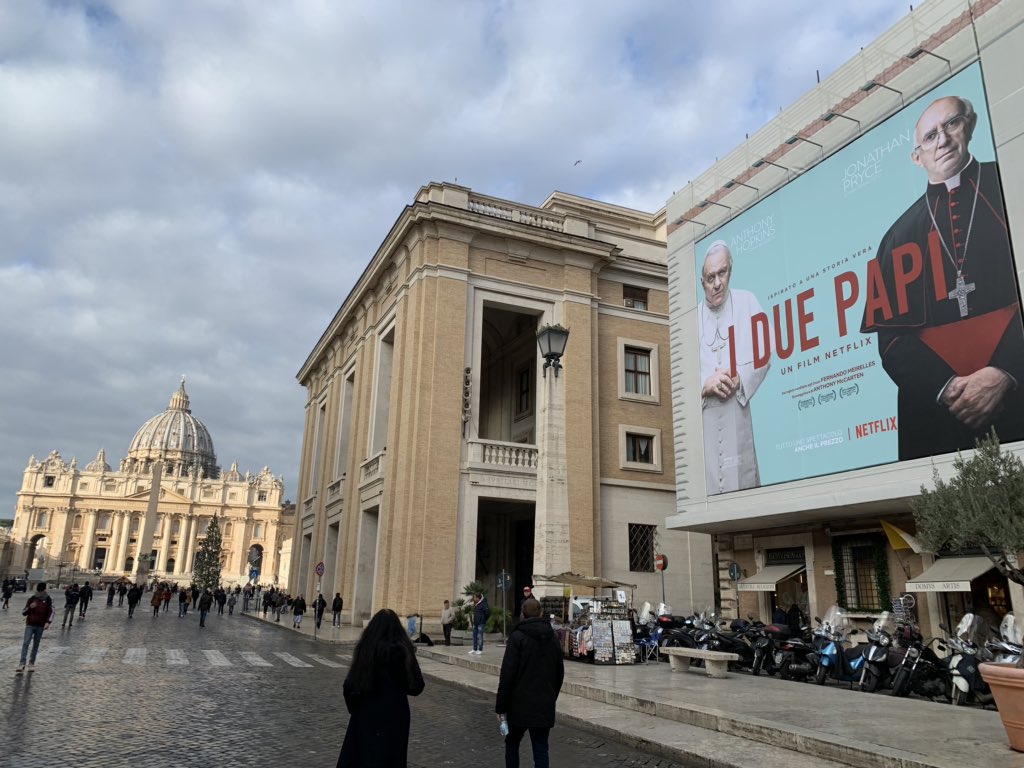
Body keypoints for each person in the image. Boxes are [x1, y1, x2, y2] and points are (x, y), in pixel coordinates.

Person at [860, 95, 1024, 460]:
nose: (943, 140)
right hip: (941, 419)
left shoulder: (1012, 184)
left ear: (971, 124)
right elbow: (890, 342)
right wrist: (948, 387)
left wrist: (1006, 371)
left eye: (951, 124)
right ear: (917, 157)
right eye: (930, 136)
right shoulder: (898, 236)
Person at [698, 240, 770, 493]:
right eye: (710, 277)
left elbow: (764, 353)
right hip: (706, 417)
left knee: (743, 484)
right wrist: (703, 385)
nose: (717, 283)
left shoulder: (747, 302)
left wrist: (741, 378)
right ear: (702, 282)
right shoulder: (692, 317)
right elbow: (682, 376)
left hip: (736, 413)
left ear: (730, 270)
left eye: (722, 273)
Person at [337, 608, 425, 767]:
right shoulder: (404, 652)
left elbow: (349, 685)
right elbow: (417, 686)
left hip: (366, 712)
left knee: (363, 758)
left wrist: (355, 708)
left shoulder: (366, 650)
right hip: (396, 714)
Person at [495, 597, 565, 768]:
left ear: (522, 615)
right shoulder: (553, 637)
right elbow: (559, 672)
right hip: (544, 703)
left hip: (519, 705)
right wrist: (550, 696)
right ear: (541, 613)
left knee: (512, 743)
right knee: (541, 749)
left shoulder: (517, 637)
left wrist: (501, 707)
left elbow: (507, 674)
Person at [17, 583, 54, 675]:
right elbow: (23, 612)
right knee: (26, 643)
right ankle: (22, 663)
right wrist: (30, 607)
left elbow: (52, 611)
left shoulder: (48, 599)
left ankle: (31, 663)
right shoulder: (32, 599)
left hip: (40, 625)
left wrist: (48, 622)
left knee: (35, 645)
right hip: (30, 624)